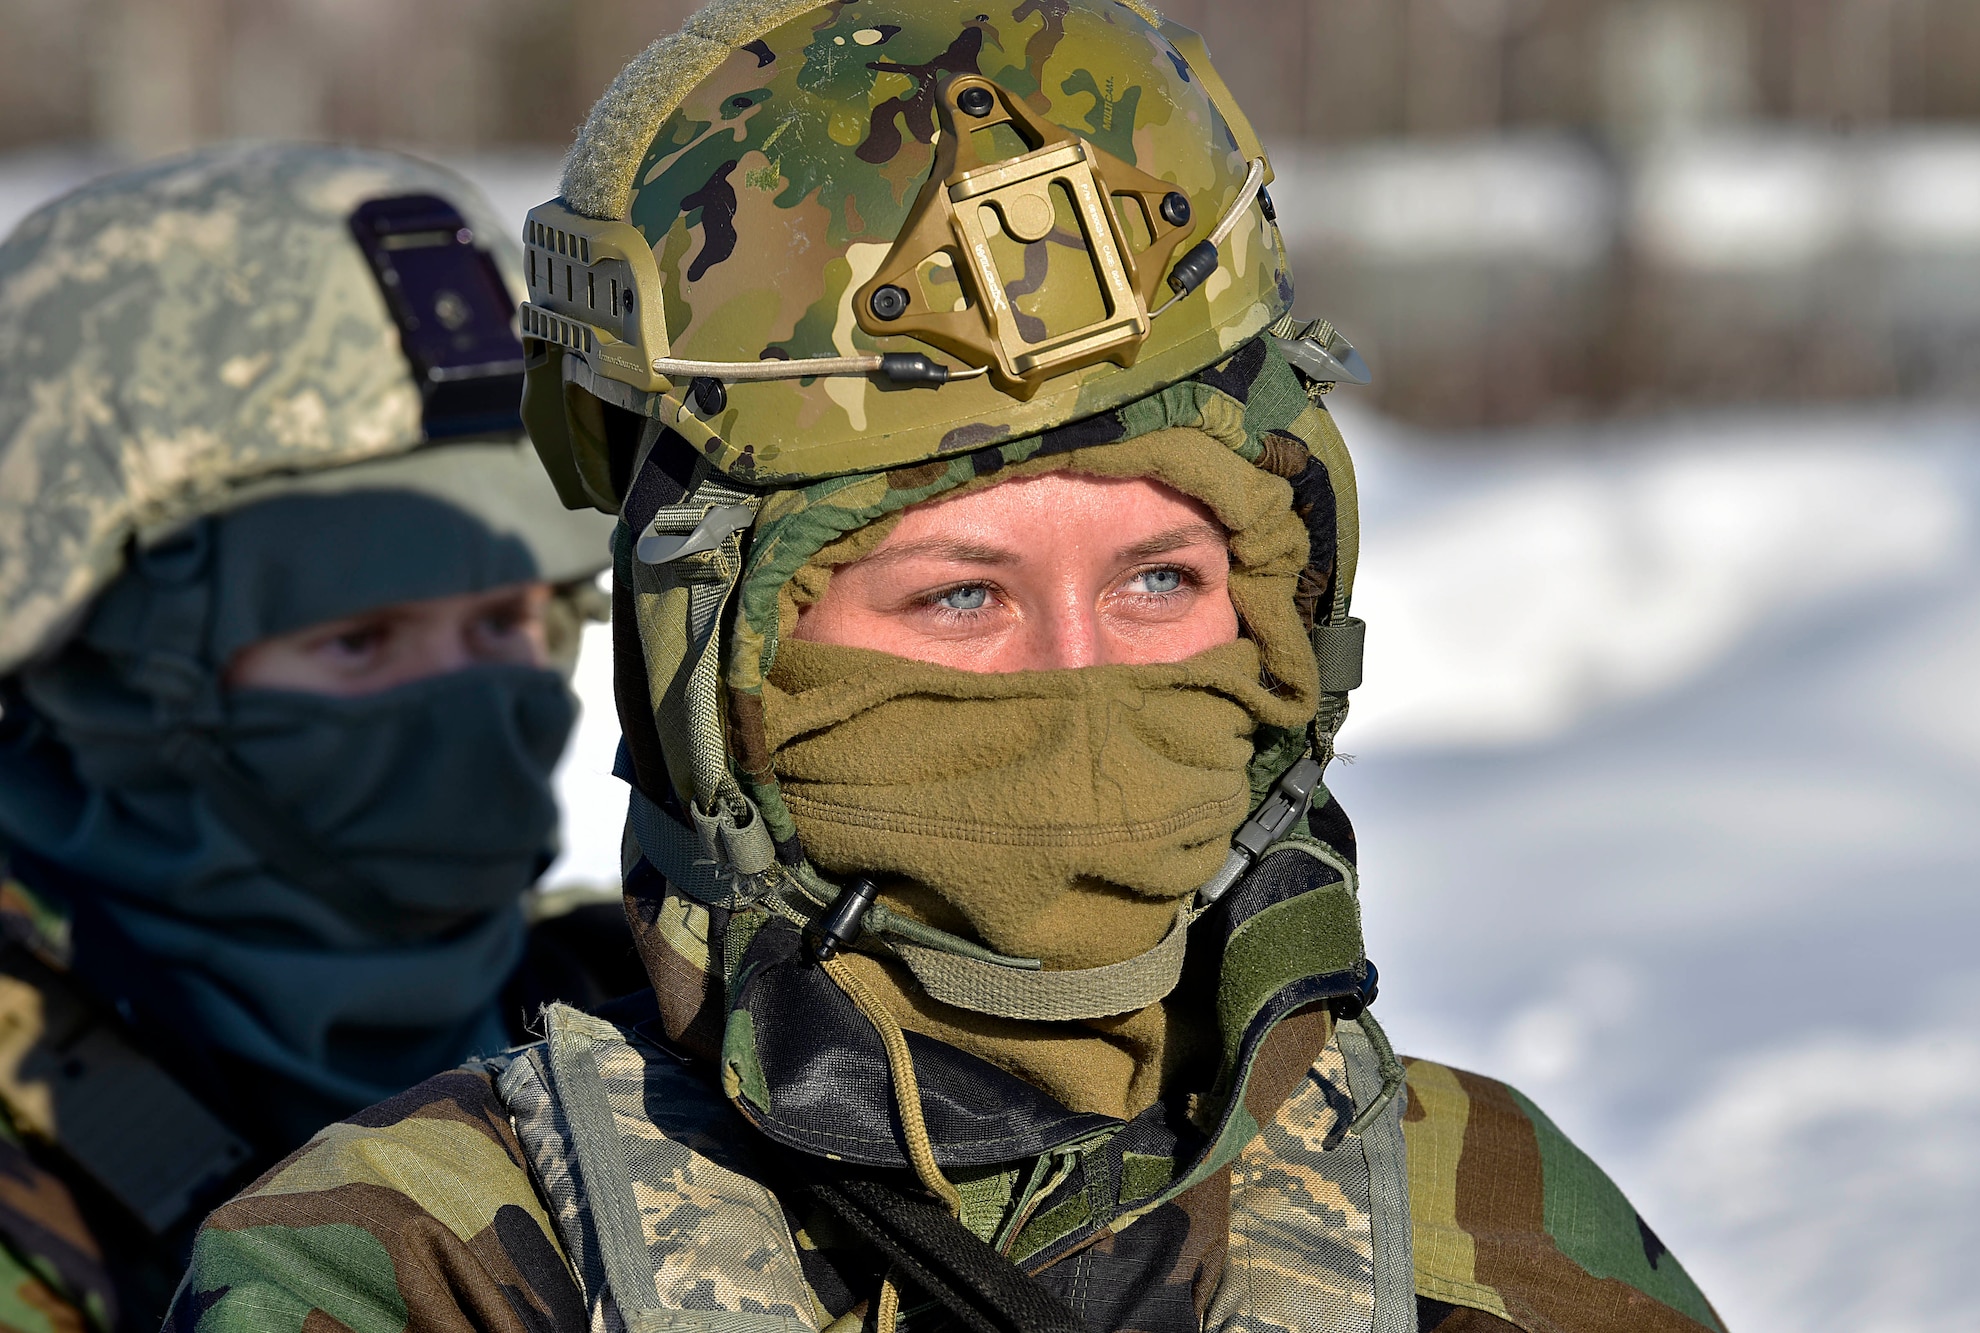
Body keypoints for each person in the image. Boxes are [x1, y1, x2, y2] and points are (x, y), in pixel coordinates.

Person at [169, 7, 1728, 1333]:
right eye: (959, 596)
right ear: (725, 682)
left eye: (1160, 578)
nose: (1078, 684)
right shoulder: (416, 1263)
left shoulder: (1491, 1214)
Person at [0, 143, 645, 1331]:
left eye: (507, 618)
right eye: (362, 639)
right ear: (117, 675)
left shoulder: (655, 1031)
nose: (469, 701)